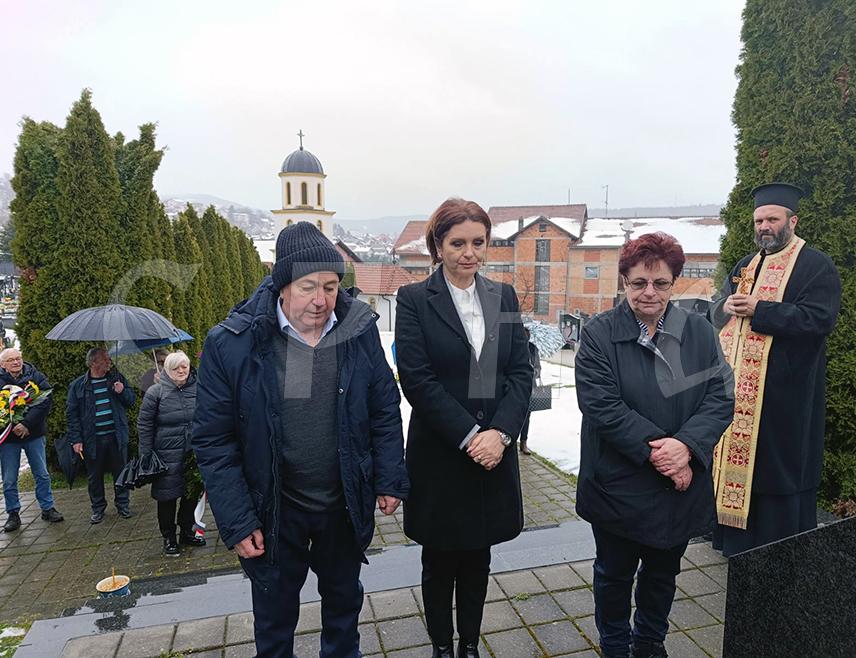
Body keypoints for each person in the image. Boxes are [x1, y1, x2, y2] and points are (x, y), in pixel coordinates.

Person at [192, 221, 408, 658]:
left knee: (345, 613)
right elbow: (214, 441)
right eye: (309, 286)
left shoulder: (358, 331)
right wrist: (237, 520)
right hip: (273, 509)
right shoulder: (232, 344)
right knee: (273, 622)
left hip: (342, 502)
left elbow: (384, 407)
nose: (321, 300)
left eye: (330, 286)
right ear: (282, 287)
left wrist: (388, 477)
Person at [575, 232, 734, 658]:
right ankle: (614, 644)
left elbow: (721, 397)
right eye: (638, 283)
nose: (649, 293)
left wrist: (685, 447)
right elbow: (602, 406)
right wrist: (666, 455)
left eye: (661, 283)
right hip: (618, 481)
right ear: (623, 281)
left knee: (664, 572)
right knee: (614, 573)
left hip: (678, 486)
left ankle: (649, 643)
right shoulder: (598, 334)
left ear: (674, 283)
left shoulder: (698, 331)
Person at [395, 198, 532, 658]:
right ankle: (440, 645)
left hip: (494, 451)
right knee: (438, 561)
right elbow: (416, 377)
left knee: (478, 557)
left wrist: (500, 434)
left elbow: (519, 370)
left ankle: (469, 644)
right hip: (441, 453)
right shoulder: (414, 299)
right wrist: (471, 436)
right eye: (458, 243)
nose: (469, 253)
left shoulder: (504, 296)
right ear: (438, 245)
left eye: (478, 242)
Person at [709, 183, 841, 557]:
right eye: (758, 220)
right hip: (740, 395)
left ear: (792, 221)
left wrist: (760, 310)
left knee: (777, 473)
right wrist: (725, 308)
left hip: (787, 397)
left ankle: (778, 553)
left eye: (772, 219)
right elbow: (718, 309)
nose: (764, 226)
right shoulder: (746, 265)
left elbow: (819, 319)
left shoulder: (816, 265)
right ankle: (734, 544)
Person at [137, 350, 204, 556]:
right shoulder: (155, 392)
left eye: (185, 366)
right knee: (166, 498)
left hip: (193, 453)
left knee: (191, 495)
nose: (182, 370)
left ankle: (187, 531)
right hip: (166, 455)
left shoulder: (199, 389)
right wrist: (146, 454)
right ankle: (168, 537)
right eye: (176, 367)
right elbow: (144, 424)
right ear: (167, 370)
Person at [67, 347, 136, 524]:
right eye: (105, 359)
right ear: (93, 363)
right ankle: (98, 508)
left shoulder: (117, 379)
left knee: (120, 473)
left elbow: (131, 401)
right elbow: (72, 415)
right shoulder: (78, 386)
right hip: (93, 439)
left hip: (116, 436)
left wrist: (122, 391)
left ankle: (123, 505)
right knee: (94, 476)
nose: (109, 362)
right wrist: (76, 440)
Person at [0, 348, 63, 531]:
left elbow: (45, 401)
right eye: (11, 360)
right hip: (9, 439)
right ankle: (13, 513)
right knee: (10, 478)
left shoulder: (35, 376)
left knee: (41, 473)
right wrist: (11, 424)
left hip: (33, 434)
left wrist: (26, 424)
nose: (16, 362)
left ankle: (47, 508)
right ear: (3, 365)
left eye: (18, 358)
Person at [518, 327, 542, 456]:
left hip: (529, 388)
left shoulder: (533, 348)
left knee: (526, 416)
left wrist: (534, 371)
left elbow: (538, 368)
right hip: (513, 387)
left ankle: (523, 442)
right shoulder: (514, 346)